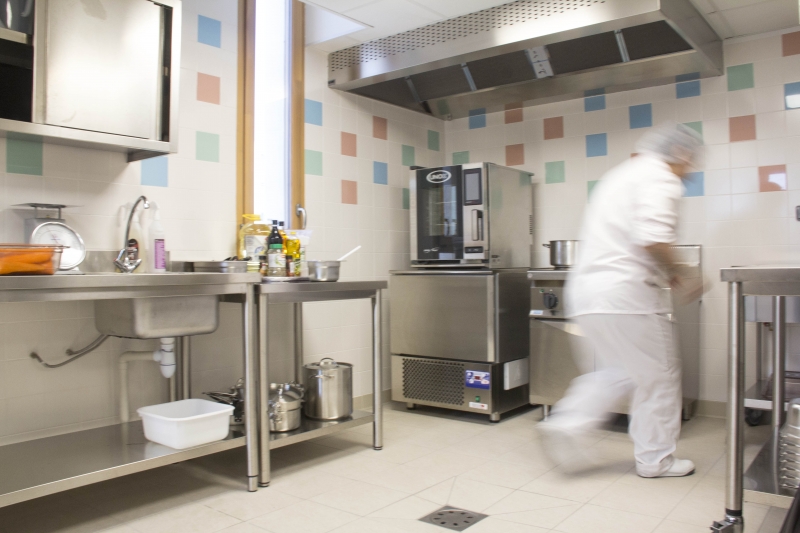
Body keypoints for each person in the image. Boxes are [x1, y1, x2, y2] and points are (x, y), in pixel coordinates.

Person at [538, 123, 705, 479]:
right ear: (680, 153)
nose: (689, 171)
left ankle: (567, 422)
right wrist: (684, 272)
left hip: (588, 292)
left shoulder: (621, 175)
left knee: (620, 371)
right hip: (627, 295)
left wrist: (665, 268)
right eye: (690, 162)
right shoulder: (661, 177)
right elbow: (653, 237)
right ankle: (656, 460)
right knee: (659, 377)